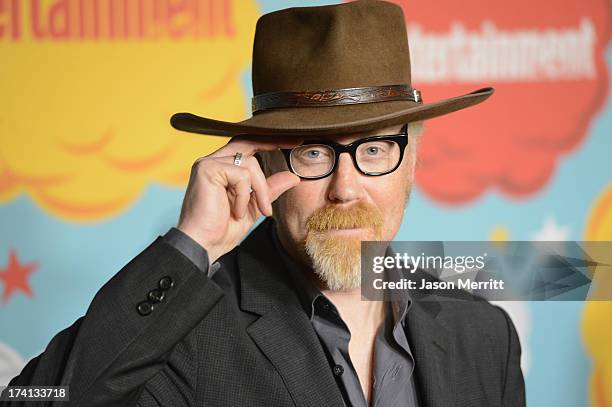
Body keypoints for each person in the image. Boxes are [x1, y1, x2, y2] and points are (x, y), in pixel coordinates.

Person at [3, 1, 525, 406]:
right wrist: (191, 247)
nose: (346, 188)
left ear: (412, 161)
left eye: (374, 149)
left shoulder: (481, 332)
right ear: (265, 164)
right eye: (313, 153)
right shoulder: (179, 335)